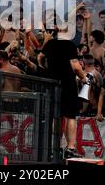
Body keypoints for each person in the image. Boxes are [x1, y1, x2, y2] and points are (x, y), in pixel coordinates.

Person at [38, 25, 90, 159]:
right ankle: (70, 148)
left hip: (52, 84)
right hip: (67, 84)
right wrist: (84, 78)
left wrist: (47, 69)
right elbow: (75, 65)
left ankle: (55, 147)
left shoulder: (49, 43)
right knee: (70, 116)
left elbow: (40, 58)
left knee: (56, 116)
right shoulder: (70, 45)